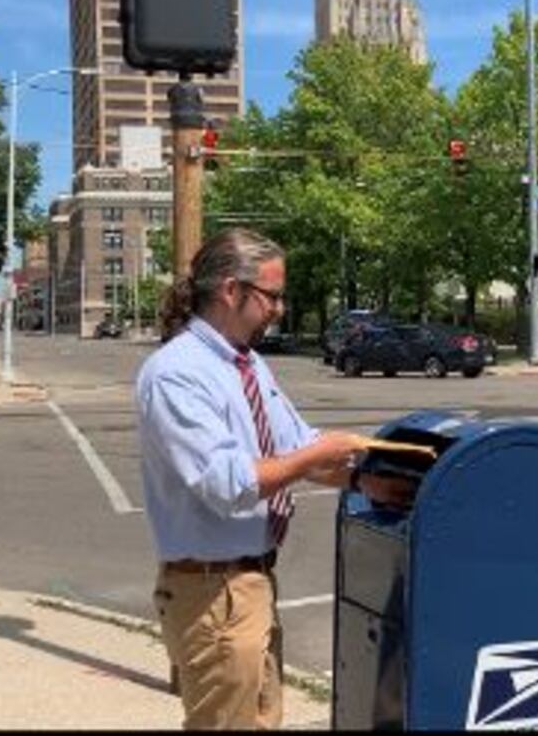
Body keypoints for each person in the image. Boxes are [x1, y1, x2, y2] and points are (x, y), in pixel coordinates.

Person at [137, 228, 406, 729]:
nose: (280, 309)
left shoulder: (249, 365)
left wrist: (362, 481)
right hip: (212, 593)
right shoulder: (177, 373)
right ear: (231, 291)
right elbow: (227, 484)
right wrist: (320, 455)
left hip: (251, 583)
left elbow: (294, 446)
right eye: (273, 296)